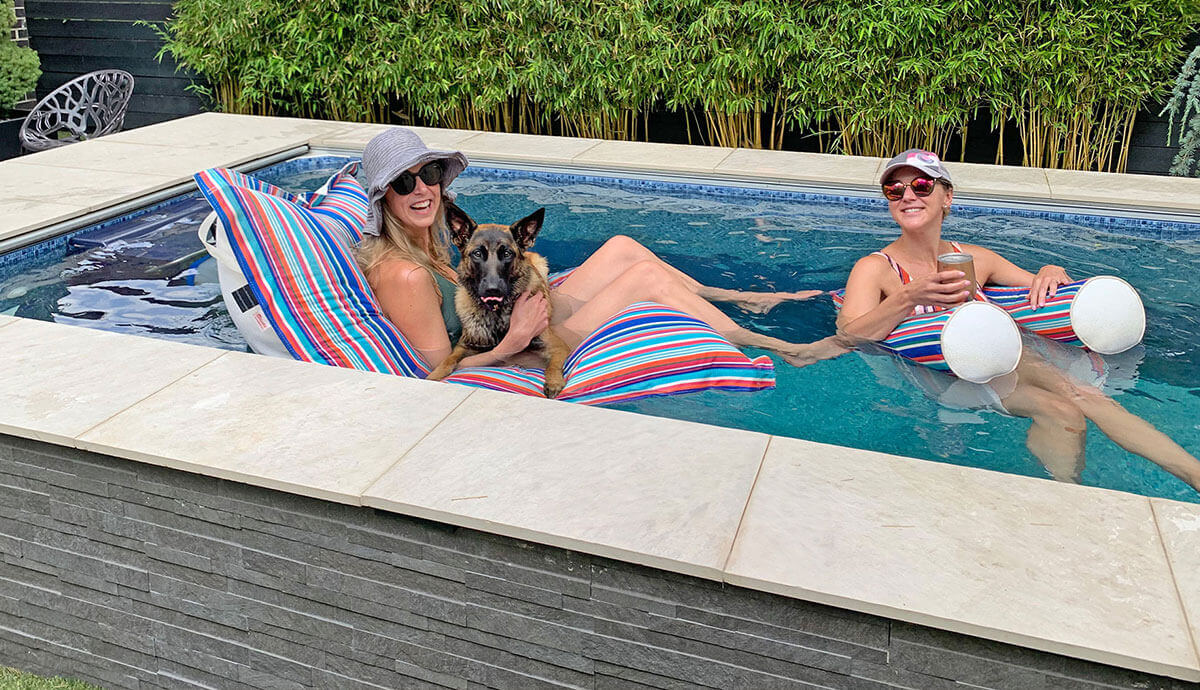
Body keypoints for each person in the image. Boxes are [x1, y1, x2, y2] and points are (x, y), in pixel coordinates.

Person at [837, 148, 1200, 491]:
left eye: (921, 185)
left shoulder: (974, 258)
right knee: (1075, 397)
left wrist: (1050, 268)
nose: (908, 196)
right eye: (894, 189)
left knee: (1069, 409)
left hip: (1005, 365)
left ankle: (1071, 496)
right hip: (942, 377)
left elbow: (1042, 283)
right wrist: (907, 297)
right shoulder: (875, 268)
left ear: (947, 197)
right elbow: (849, 335)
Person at [353, 127, 850, 377]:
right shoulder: (405, 276)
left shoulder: (433, 243)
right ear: (383, 197)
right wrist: (517, 338)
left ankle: (738, 297)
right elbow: (434, 373)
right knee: (646, 284)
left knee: (622, 246)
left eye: (430, 174)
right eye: (403, 181)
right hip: (520, 342)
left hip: (521, 309)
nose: (422, 189)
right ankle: (785, 350)